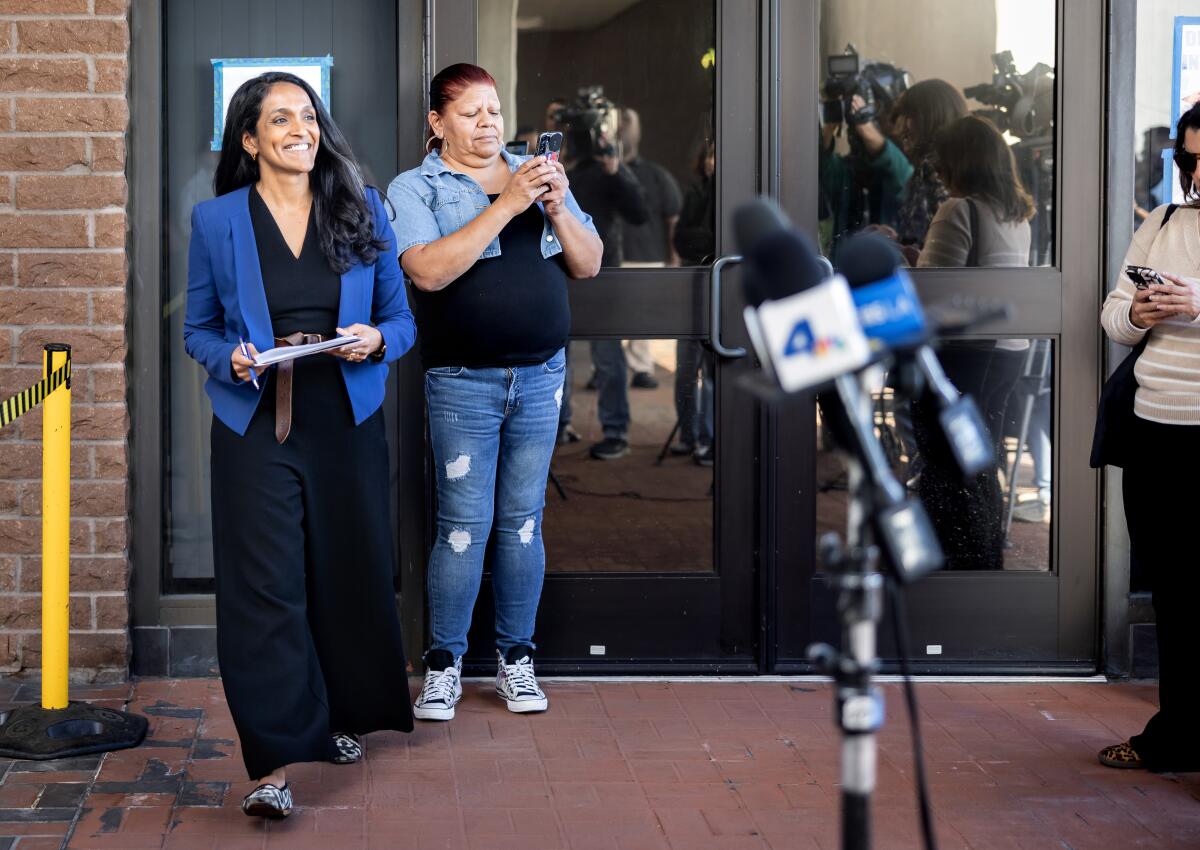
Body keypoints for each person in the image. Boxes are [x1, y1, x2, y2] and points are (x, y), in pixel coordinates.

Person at [182, 72, 416, 818]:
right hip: (256, 422)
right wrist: (232, 359)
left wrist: (374, 339)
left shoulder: (361, 207)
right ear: (249, 139)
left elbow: (401, 322)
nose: (300, 128)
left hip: (345, 416)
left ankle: (343, 715)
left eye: (307, 116)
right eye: (279, 118)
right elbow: (198, 331)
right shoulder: (216, 221)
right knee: (264, 588)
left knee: (347, 571)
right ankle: (272, 766)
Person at [387, 64, 602, 721]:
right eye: (472, 113)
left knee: (523, 523)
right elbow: (425, 271)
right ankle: (444, 666)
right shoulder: (416, 187)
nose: (488, 125)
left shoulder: (535, 173)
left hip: (540, 379)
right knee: (462, 528)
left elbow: (588, 263)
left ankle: (517, 660)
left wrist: (557, 205)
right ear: (437, 123)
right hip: (462, 384)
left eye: (495, 112)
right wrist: (506, 203)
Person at [1097, 103, 1200, 774]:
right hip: (1156, 429)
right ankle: (1178, 737)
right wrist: (1137, 310)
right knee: (1175, 593)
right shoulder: (1162, 223)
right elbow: (1111, 315)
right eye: (1189, 158)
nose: (1196, 171)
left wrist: (1198, 304)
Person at [913, 115, 1034, 570]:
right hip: (1006, 353)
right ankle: (981, 555)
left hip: (962, 356)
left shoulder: (959, 209)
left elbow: (932, 290)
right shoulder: (1016, 216)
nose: (938, 171)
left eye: (942, 162)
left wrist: (897, 260)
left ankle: (951, 561)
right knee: (978, 457)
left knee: (946, 463)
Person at [566, 107, 650, 460]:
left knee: (608, 355)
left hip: (603, 273)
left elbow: (639, 214)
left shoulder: (611, 172)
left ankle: (615, 430)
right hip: (562, 270)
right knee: (556, 354)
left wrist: (616, 172)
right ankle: (558, 427)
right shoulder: (565, 172)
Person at [618, 107, 684, 390]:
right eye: (619, 122)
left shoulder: (656, 175)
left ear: (638, 131)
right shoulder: (598, 174)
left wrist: (673, 253)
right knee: (609, 316)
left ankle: (642, 367)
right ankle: (607, 367)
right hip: (609, 258)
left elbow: (673, 215)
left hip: (646, 257)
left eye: (629, 122)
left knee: (641, 319)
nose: (623, 128)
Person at [672, 139, 717, 465]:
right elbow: (681, 239)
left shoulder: (728, 190)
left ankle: (710, 438)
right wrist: (702, 240)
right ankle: (688, 434)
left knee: (714, 371)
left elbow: (719, 240)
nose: (711, 162)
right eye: (709, 155)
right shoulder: (695, 191)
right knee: (686, 367)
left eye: (718, 155)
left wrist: (700, 240)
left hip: (719, 288)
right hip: (692, 283)